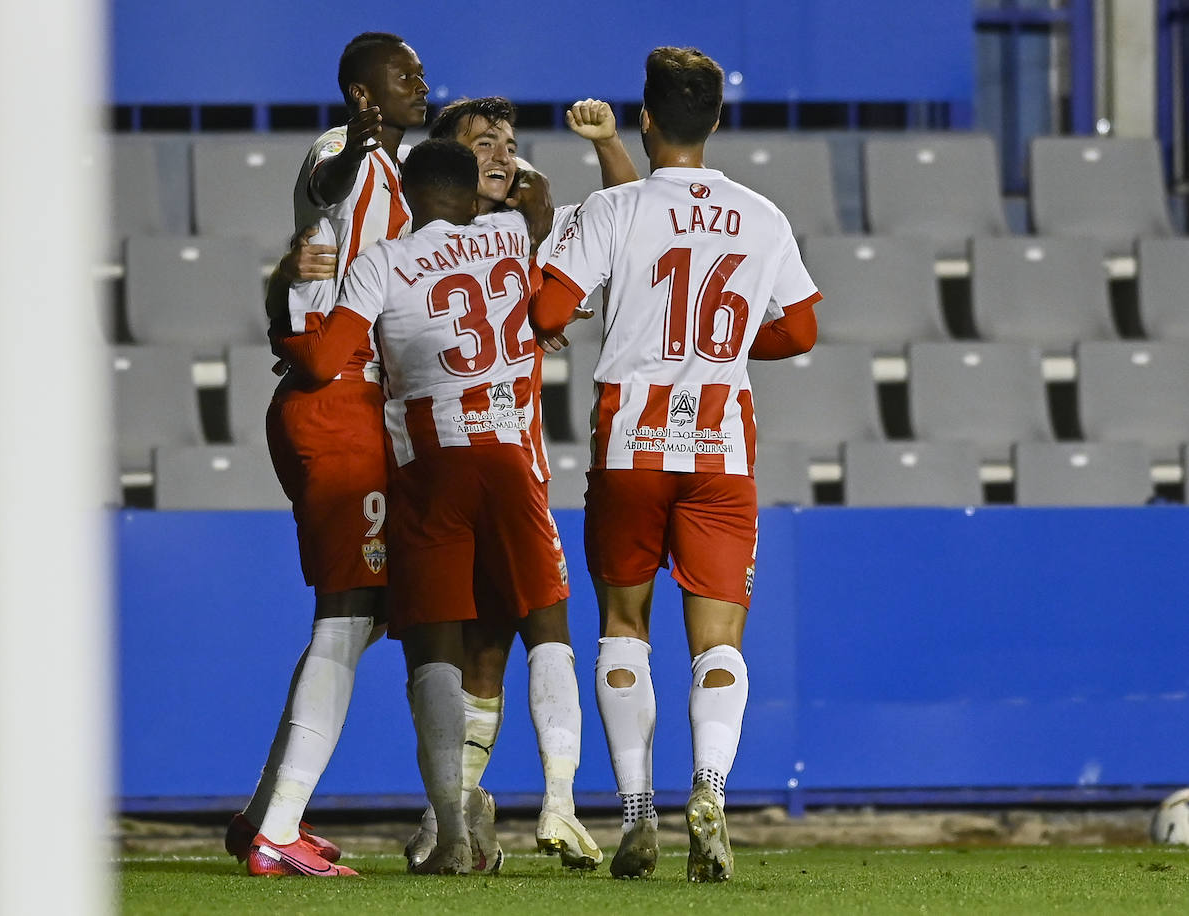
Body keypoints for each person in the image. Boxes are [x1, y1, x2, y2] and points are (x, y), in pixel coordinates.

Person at [530, 46, 821, 882]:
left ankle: (635, 815)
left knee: (624, 626)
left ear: (647, 117)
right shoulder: (762, 216)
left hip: (630, 447)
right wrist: (723, 348)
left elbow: (551, 307)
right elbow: (800, 330)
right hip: (722, 451)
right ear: (718, 120)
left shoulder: (614, 209)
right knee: (718, 641)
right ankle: (711, 792)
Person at [272, 138, 581, 875]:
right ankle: (561, 803)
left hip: (432, 465)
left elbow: (320, 361)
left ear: (405, 198)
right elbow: (536, 210)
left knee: (432, 650)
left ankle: (450, 829)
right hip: (512, 461)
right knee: (548, 627)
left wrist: (288, 294)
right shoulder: (508, 235)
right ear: (475, 190)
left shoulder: (383, 260)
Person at [397, 95, 639, 872]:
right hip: (444, 471)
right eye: (482, 143)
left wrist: (598, 149)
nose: (502, 154)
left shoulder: (526, 227)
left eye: (508, 142)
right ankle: (461, 814)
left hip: (511, 470)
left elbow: (628, 216)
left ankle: (465, 819)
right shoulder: (477, 235)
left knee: (488, 654)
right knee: (462, 652)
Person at [223, 31, 428, 878]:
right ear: (362, 94)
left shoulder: (392, 169)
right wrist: (365, 138)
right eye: (402, 75)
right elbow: (326, 182)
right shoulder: (345, 152)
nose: (419, 81)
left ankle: (264, 813)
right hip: (338, 396)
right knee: (349, 617)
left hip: (348, 398)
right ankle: (278, 830)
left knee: (364, 614)